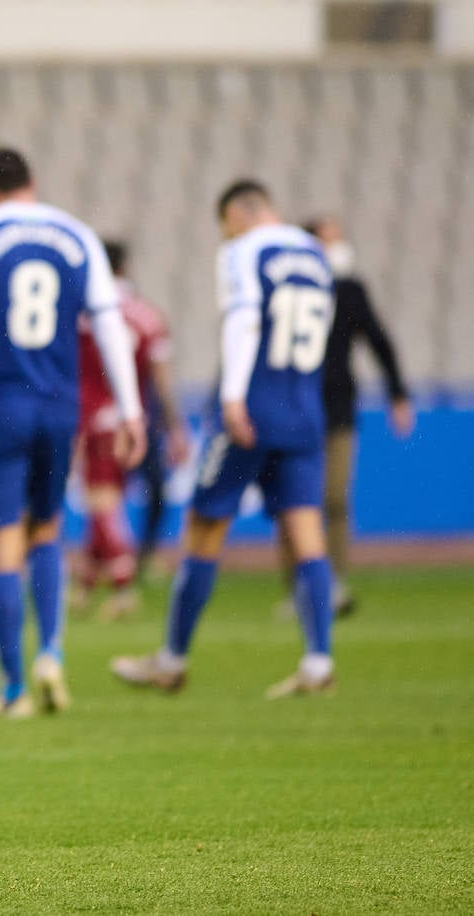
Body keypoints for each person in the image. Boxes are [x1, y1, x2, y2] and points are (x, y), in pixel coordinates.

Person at [0, 147, 146, 721]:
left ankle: (14, 688)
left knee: (1, 548)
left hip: (0, 402)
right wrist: (131, 409)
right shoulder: (77, 235)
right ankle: (51, 651)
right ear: (33, 182)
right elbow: (110, 320)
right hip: (59, 405)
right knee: (47, 530)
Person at [112, 180, 337, 699]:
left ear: (235, 215)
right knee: (306, 533)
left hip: (253, 408)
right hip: (304, 407)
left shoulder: (242, 251)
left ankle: (171, 660)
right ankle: (319, 660)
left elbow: (244, 317)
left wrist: (233, 396)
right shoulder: (314, 255)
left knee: (204, 527)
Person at [274, 217, 412, 617]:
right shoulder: (290, 287)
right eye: (329, 239)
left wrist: (397, 392)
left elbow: (378, 340)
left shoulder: (350, 290)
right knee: (297, 500)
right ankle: (296, 585)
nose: (338, 247)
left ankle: (330, 582)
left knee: (333, 497)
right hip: (292, 406)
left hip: (337, 409)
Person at [73, 239, 189, 619]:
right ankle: (86, 584)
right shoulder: (148, 316)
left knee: (102, 501)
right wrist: (174, 427)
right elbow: (162, 378)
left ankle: (123, 589)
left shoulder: (82, 316)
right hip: (134, 418)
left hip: (92, 417)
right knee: (106, 501)